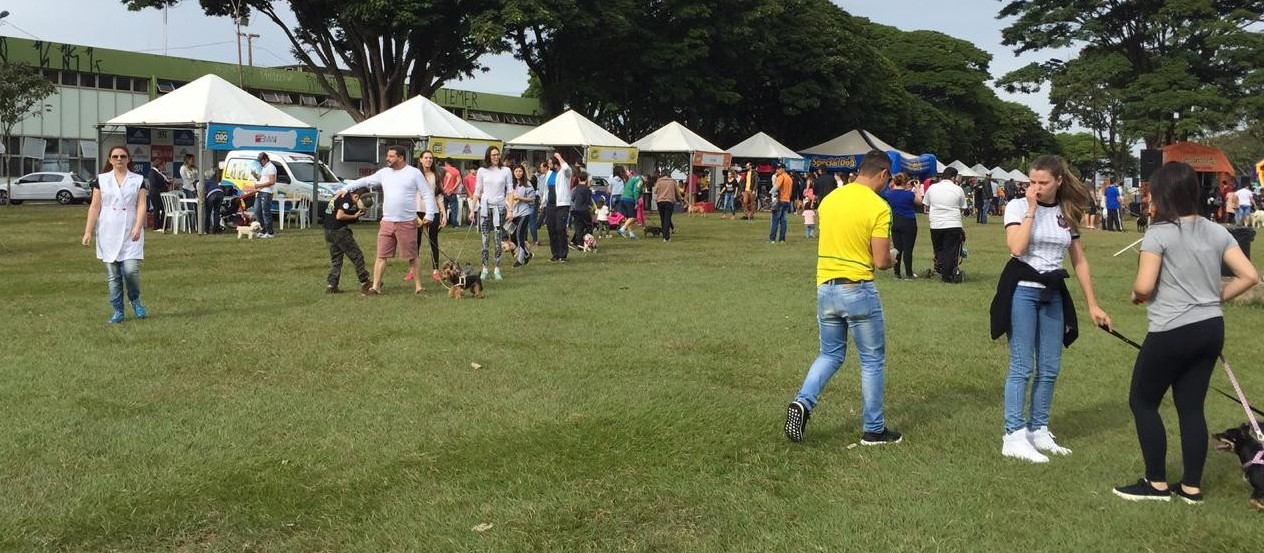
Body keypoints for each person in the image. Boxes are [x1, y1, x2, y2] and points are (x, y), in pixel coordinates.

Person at [1112, 162, 1259, 503]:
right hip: (1210, 327)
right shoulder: (1217, 230)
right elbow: (1249, 276)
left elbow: (1144, 286)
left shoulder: (1159, 233)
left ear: (1163, 195)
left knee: (1143, 401)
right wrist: (1211, 299)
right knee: (1191, 407)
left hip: (1172, 329)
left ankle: (1156, 483)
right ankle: (1191, 487)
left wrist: (1136, 295)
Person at [989, 154, 1113, 463]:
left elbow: (1079, 261)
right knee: (1022, 365)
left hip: (1053, 292)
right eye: (1032, 182)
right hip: (1022, 290)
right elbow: (1016, 248)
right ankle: (1014, 434)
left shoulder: (1066, 211)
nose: (1036, 187)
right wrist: (1031, 209)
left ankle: (1038, 429)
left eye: (1043, 182)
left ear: (1058, 181)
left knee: (1050, 367)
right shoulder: (1018, 206)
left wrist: (1093, 304)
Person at [785, 150, 900, 445]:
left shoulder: (832, 199)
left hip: (826, 286)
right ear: (884, 174)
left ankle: (802, 402)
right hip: (858, 288)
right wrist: (893, 256)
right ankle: (874, 429)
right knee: (872, 361)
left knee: (830, 354)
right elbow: (881, 261)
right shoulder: (879, 206)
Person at [338, 145, 437, 295]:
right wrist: (347, 188)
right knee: (381, 255)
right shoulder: (384, 173)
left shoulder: (414, 173)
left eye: (391, 156)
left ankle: (419, 287)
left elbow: (427, 193)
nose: (387, 159)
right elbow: (366, 180)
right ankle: (375, 287)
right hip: (387, 222)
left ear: (401, 158)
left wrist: (430, 214)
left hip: (407, 222)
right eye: (388, 156)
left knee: (412, 256)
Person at [82, 146, 148, 324]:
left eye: (123, 156)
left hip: (130, 230)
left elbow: (142, 205)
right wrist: (88, 231)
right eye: (115, 156)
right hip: (108, 230)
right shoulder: (102, 180)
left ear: (128, 159)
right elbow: (95, 206)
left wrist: (138, 225)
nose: (119, 159)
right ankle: (118, 310)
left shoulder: (138, 180)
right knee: (113, 275)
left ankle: (135, 299)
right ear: (110, 160)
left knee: (131, 270)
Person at [473, 146, 512, 280]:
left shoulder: (506, 170)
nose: (496, 157)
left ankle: (497, 268)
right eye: (493, 155)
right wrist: (473, 209)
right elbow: (477, 191)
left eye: (497, 154)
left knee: (497, 240)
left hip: (499, 207)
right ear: (488, 156)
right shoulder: (482, 170)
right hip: (485, 208)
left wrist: (510, 209)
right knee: (485, 240)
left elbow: (510, 191)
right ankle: (484, 268)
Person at [322, 188, 371, 295]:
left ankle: (332, 285)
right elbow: (339, 216)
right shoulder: (347, 199)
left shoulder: (340, 195)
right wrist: (354, 215)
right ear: (356, 197)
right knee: (357, 255)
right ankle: (365, 282)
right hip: (339, 231)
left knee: (336, 259)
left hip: (328, 230)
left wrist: (355, 215)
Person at [923, 167, 966, 283]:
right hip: (952, 223)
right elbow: (963, 206)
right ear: (953, 177)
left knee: (939, 249)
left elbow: (926, 204)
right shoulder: (958, 189)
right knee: (950, 250)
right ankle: (947, 274)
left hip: (936, 224)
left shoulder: (932, 188)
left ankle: (941, 269)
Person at [410, 150, 447, 282]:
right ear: (420, 159)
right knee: (416, 241)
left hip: (433, 211)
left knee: (433, 241)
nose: (428, 160)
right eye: (426, 158)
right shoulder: (414, 175)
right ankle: (412, 270)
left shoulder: (436, 175)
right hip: (417, 210)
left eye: (430, 158)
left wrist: (444, 213)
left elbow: (439, 195)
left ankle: (435, 270)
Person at [883, 172, 923, 280]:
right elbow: (919, 202)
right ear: (906, 182)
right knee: (908, 249)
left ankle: (897, 273)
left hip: (895, 222)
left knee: (897, 248)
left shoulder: (889, 194)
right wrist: (917, 188)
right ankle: (909, 274)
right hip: (908, 222)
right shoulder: (909, 194)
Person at [539, 152, 574, 262]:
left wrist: (559, 157)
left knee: (560, 229)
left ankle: (563, 254)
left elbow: (568, 169)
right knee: (551, 229)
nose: (548, 166)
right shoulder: (549, 174)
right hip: (550, 205)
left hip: (562, 204)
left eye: (550, 164)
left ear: (556, 164)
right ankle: (555, 254)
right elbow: (546, 189)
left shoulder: (564, 173)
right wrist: (543, 202)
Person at [509, 164, 535, 267]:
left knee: (519, 235)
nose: (518, 173)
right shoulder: (511, 184)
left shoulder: (527, 184)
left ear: (523, 172)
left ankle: (520, 260)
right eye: (516, 171)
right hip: (513, 214)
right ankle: (527, 254)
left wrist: (520, 198)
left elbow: (532, 198)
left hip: (524, 213)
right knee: (512, 236)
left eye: (520, 171)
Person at [252, 152, 277, 238]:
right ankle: (263, 230)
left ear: (266, 159)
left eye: (261, 161)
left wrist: (259, 185)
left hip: (267, 192)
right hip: (260, 191)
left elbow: (272, 181)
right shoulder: (265, 167)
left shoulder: (271, 167)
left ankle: (270, 233)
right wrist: (256, 177)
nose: (260, 162)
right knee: (257, 211)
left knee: (265, 212)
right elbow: (263, 179)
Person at [768, 164, 793, 243]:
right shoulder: (789, 178)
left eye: (778, 168)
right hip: (787, 200)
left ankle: (772, 239)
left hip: (780, 200)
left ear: (783, 169)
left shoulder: (781, 177)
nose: (777, 170)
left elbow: (776, 187)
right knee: (783, 221)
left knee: (775, 220)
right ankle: (782, 239)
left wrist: (769, 193)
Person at [570, 172, 594, 249]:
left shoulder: (575, 188)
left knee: (579, 227)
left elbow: (572, 199)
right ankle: (586, 241)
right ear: (586, 179)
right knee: (589, 226)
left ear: (578, 179)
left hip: (576, 209)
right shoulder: (587, 189)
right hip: (584, 209)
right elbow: (588, 200)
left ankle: (577, 242)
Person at [147, 158, 172, 232]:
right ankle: (156, 226)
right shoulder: (152, 172)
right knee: (157, 209)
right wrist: (162, 186)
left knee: (164, 209)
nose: (164, 167)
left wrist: (168, 182)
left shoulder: (160, 173)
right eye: (163, 165)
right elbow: (154, 183)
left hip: (161, 193)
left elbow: (163, 180)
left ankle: (163, 225)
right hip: (155, 193)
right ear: (159, 165)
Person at [653, 170, 678, 242]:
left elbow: (655, 191)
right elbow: (677, 192)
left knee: (663, 219)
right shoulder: (673, 182)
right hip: (669, 201)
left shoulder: (659, 181)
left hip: (660, 202)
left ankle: (664, 236)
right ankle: (666, 237)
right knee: (667, 219)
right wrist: (680, 199)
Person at [442, 159, 461, 230]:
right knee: (454, 209)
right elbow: (459, 181)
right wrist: (453, 188)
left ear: (446, 163)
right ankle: (454, 224)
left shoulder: (443, 169)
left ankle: (442, 222)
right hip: (452, 193)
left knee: (443, 209)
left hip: (443, 192)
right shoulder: (456, 171)